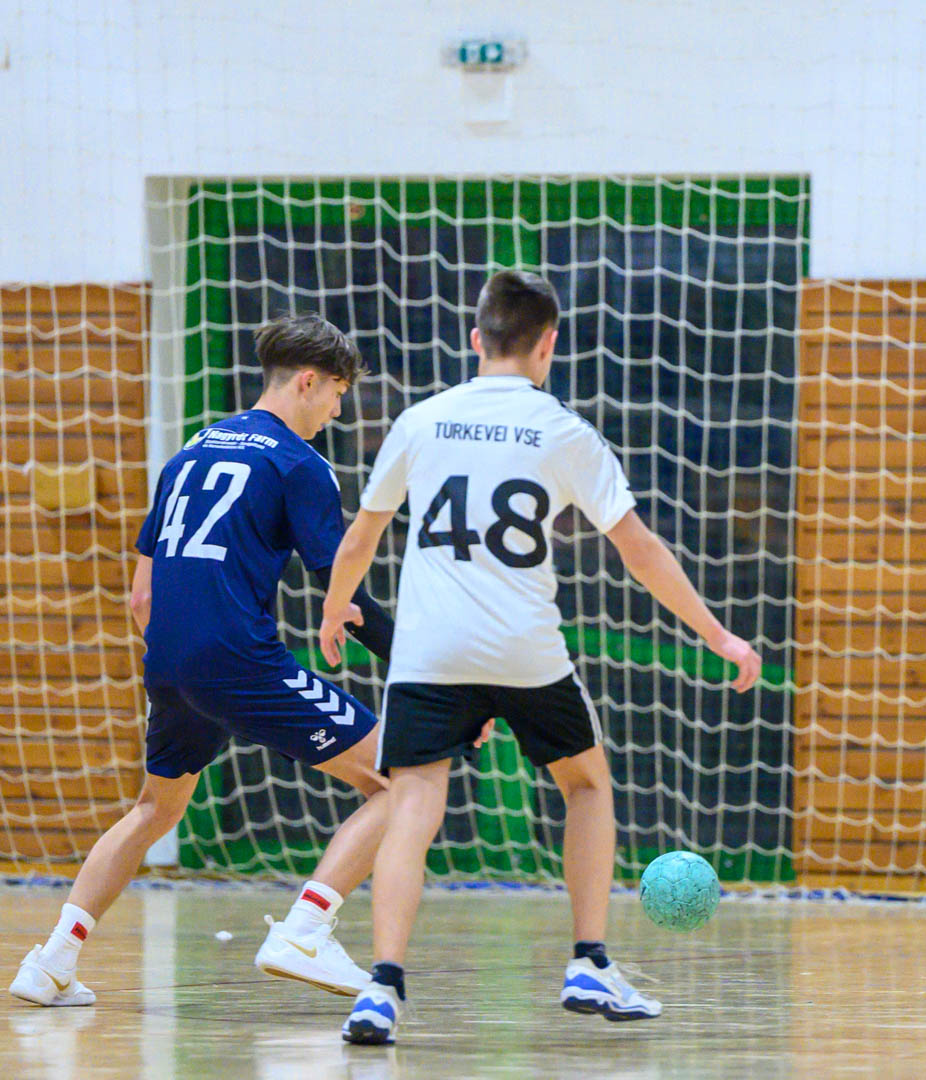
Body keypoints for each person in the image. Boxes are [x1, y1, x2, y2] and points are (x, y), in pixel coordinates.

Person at [320, 269, 762, 1046]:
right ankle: (589, 960)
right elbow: (639, 549)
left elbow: (362, 535)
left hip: (429, 650)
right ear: (549, 343)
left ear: (475, 338)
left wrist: (334, 607)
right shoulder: (564, 431)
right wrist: (716, 633)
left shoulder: (421, 420)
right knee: (585, 784)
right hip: (521, 649)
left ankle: (381, 988)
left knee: (413, 804)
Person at [10, 314, 399, 1007]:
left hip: (167, 661)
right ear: (309, 382)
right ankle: (307, 930)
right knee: (400, 781)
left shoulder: (189, 453)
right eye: (338, 394)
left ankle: (51, 962)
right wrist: (423, 671)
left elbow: (140, 595)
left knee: (153, 809)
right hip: (238, 659)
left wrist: (186, 661)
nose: (338, 411)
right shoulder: (299, 465)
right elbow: (345, 598)